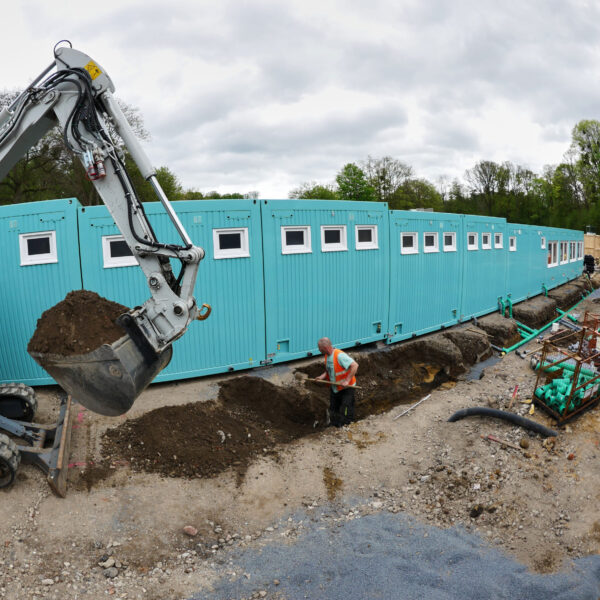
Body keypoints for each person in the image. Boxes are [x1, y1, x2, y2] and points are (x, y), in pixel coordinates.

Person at [315, 337, 359, 427]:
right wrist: (321, 377)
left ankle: (347, 425)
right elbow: (329, 371)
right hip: (335, 388)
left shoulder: (339, 356)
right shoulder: (327, 356)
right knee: (334, 408)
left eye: (320, 348)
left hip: (347, 388)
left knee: (346, 408)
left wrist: (347, 380)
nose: (319, 350)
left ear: (326, 348)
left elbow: (355, 365)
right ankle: (335, 426)